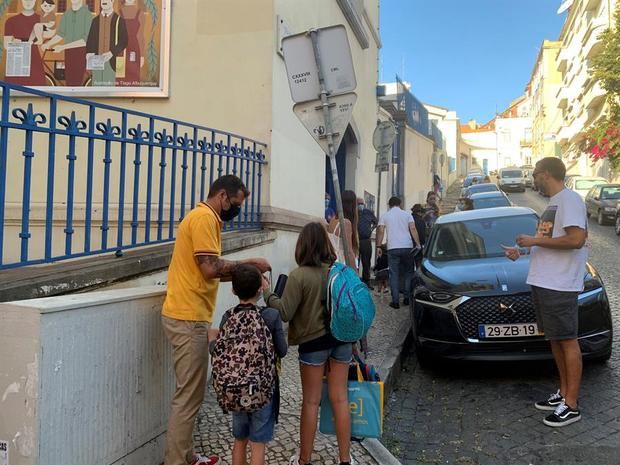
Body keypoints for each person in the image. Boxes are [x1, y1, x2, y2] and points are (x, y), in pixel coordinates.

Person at [161, 175, 270, 465]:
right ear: (223, 196)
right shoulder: (204, 219)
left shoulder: (206, 219)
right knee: (188, 398)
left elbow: (211, 270)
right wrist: (250, 264)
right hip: (188, 316)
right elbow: (210, 268)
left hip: (188, 313)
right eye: (235, 203)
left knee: (192, 394)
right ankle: (176, 461)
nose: (235, 210)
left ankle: (187, 456)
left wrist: (245, 273)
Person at [503, 157, 587, 428]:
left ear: (547, 174)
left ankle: (571, 404)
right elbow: (551, 241)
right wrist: (526, 249)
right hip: (545, 282)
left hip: (560, 284)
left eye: (536, 174)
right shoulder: (554, 203)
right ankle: (563, 393)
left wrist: (534, 240)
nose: (533, 178)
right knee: (555, 340)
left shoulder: (569, 200)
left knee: (567, 340)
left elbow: (576, 240)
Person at [263, 222, 354, 465]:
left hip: (313, 344)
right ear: (325, 244)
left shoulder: (299, 275)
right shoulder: (338, 270)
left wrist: (267, 293)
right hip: (342, 340)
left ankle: (304, 460)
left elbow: (284, 312)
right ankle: (345, 459)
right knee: (340, 398)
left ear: (302, 245)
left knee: (311, 401)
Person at [210, 265, 287, 465]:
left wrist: (212, 341)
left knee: (240, 440)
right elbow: (283, 350)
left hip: (235, 389)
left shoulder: (228, 316)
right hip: (263, 390)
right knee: (258, 443)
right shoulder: (270, 316)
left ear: (234, 290)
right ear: (260, 289)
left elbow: (219, 352)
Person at [376, 196, 420, 309]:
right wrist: (418, 243)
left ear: (389, 204)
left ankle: (395, 301)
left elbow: (380, 230)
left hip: (392, 248)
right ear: (400, 204)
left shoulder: (385, 215)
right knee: (408, 272)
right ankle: (406, 298)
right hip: (407, 246)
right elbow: (413, 229)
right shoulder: (407, 215)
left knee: (393, 274)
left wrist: (378, 246)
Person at [43, 0, 93, 86]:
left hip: (81, 51)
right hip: (69, 53)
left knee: (76, 81)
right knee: (69, 80)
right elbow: (61, 34)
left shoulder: (87, 14)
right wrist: (48, 44)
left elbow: (85, 40)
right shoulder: (66, 14)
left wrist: (62, 47)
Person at [3, 0, 46, 86]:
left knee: (37, 91)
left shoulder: (41, 20)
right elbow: (6, 44)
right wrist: (14, 43)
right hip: (17, 61)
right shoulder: (11, 21)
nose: (28, 2)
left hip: (34, 61)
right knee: (13, 91)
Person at [86, 0, 128, 86]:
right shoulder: (95, 21)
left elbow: (124, 41)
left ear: (112, 1)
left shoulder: (119, 20)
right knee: (96, 88)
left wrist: (112, 53)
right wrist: (88, 53)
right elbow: (90, 40)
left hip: (111, 62)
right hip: (97, 61)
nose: (104, 1)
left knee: (109, 90)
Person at [327, 190, 359, 269]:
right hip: (343, 265)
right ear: (352, 205)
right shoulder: (346, 223)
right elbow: (349, 251)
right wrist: (355, 275)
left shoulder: (333, 220)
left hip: (333, 264)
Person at [117, 0, 145, 86]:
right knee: (120, 76)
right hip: (121, 49)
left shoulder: (140, 13)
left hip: (134, 48)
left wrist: (142, 55)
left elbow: (140, 35)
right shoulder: (118, 13)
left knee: (133, 77)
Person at [356, 197, 377, 287]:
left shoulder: (368, 212)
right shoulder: (353, 213)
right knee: (355, 262)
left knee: (366, 263)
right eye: (358, 204)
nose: (360, 205)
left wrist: (371, 230)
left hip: (366, 241)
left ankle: (366, 282)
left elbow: (376, 222)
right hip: (356, 241)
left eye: (362, 203)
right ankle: (355, 281)